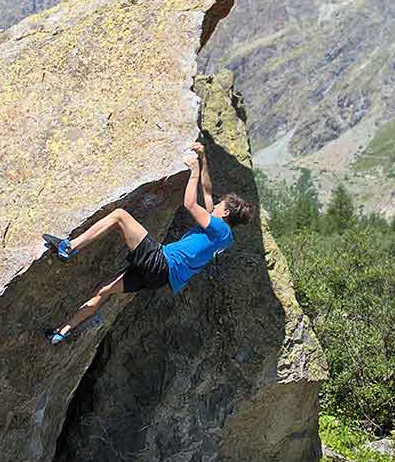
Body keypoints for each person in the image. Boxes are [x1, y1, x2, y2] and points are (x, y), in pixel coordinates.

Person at [42, 142, 255, 345]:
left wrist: (194, 171)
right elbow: (207, 192)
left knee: (119, 216)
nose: (215, 205)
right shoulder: (224, 237)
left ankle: (69, 248)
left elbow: (190, 203)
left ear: (225, 212)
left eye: (219, 205)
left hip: (161, 262)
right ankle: (62, 332)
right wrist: (203, 158)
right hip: (160, 279)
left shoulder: (219, 228)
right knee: (103, 290)